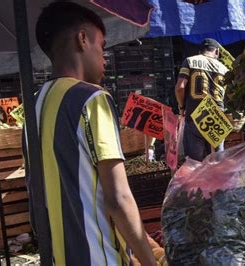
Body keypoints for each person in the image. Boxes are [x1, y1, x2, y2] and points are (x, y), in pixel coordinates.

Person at [32, 2, 155, 265]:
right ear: (82, 39)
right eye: (101, 46)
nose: (104, 58)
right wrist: (150, 262)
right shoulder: (91, 99)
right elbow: (119, 199)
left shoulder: (35, 105)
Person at [175, 38, 229, 161]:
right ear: (217, 52)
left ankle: (198, 181)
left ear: (201, 51)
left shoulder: (190, 61)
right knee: (217, 162)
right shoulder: (225, 69)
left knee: (195, 163)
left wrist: (182, 107)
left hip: (195, 115)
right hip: (217, 118)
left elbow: (180, 87)